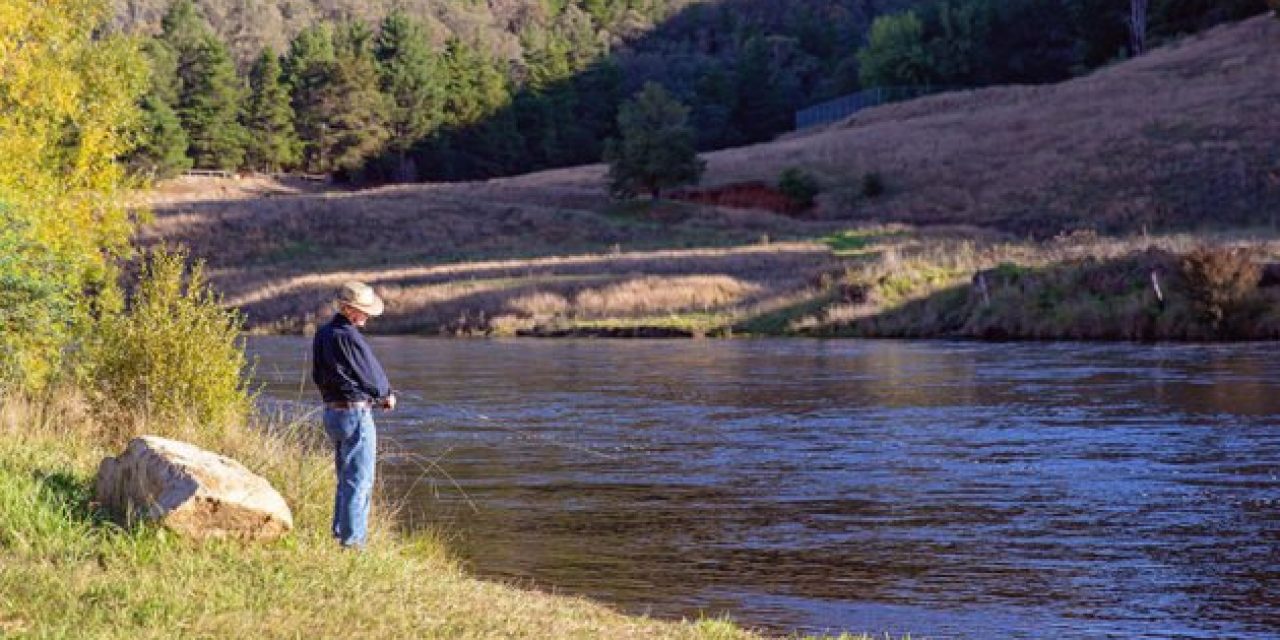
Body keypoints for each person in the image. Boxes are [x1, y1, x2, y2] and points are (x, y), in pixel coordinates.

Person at [311, 281, 396, 548]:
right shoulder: (349, 336)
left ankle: (341, 535)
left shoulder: (323, 333)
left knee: (345, 479)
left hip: (332, 414)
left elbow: (320, 375)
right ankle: (352, 544)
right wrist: (385, 396)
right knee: (360, 481)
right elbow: (372, 376)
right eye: (363, 311)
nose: (367, 316)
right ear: (348, 309)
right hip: (354, 416)